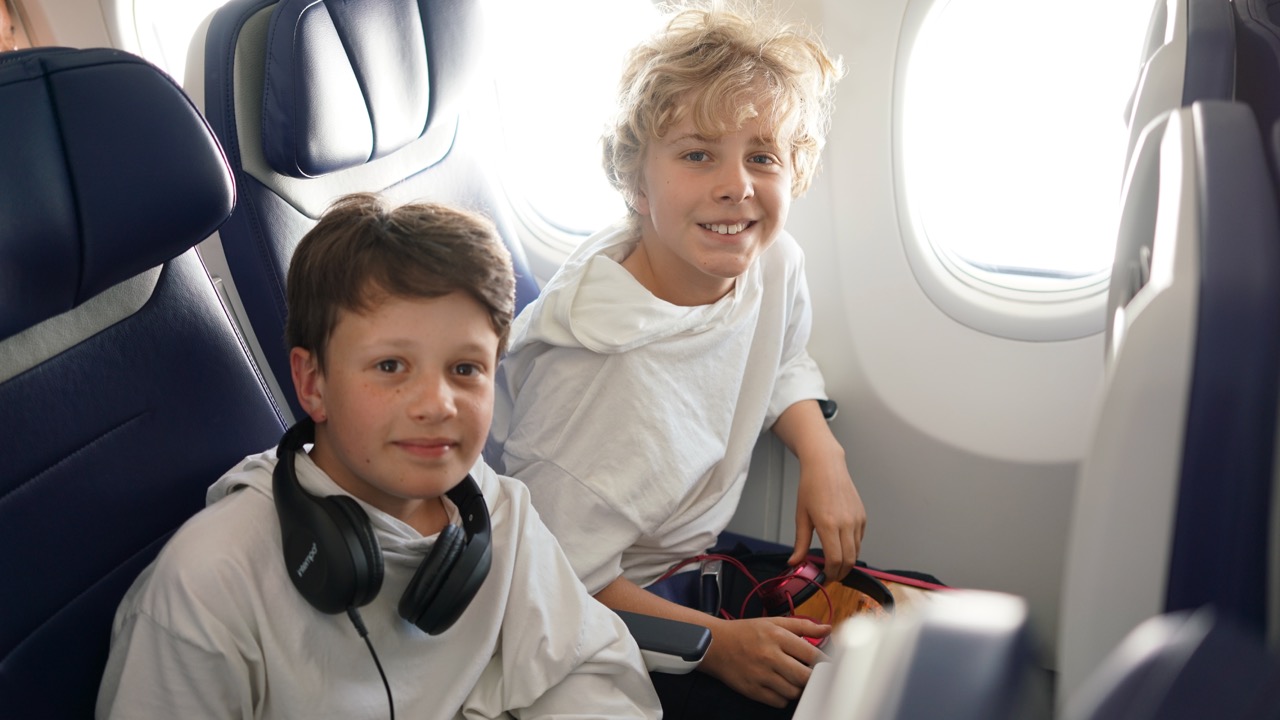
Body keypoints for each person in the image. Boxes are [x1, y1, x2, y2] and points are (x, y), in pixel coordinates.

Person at [97, 193, 661, 719]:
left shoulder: (492, 508)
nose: (437, 404)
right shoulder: (209, 584)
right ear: (313, 383)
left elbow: (592, 668)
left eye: (466, 369)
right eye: (391, 366)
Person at [486, 2, 866, 717]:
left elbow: (781, 357)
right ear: (636, 183)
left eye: (762, 157)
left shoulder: (771, 262)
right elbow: (549, 577)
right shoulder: (596, 369)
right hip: (615, 622)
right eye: (697, 155)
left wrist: (823, 454)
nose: (737, 185)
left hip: (698, 569)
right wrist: (718, 645)